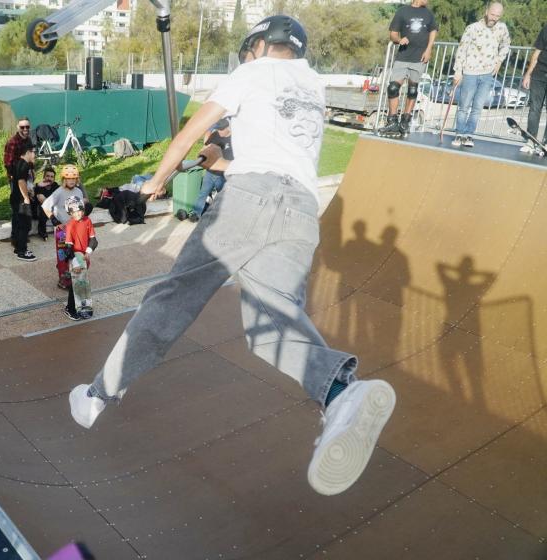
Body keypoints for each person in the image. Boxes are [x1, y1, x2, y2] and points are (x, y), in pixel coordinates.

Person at [68, 15, 397, 498]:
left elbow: (187, 134)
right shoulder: (313, 83)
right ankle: (342, 393)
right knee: (272, 327)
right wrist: (221, 162)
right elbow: (278, 156)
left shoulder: (251, 72)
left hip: (249, 201)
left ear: (262, 44)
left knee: (173, 298)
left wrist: (153, 183)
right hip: (302, 210)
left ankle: (97, 396)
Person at [451, 3, 509, 148]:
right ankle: (459, 133)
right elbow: (461, 50)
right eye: (492, 14)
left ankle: (469, 135)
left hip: (487, 74)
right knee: (464, 105)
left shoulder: (502, 28)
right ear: (486, 11)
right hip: (470, 72)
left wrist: (499, 61)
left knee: (477, 107)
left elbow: (506, 45)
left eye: (497, 16)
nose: (494, 18)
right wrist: (458, 72)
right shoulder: (472, 28)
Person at [378, 0, 438, 138]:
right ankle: (392, 121)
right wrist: (399, 40)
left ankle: (405, 120)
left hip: (419, 57)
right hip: (403, 56)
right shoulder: (402, 11)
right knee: (393, 88)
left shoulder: (428, 14)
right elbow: (393, 33)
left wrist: (429, 49)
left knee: (412, 89)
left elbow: (433, 31)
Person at [41, 165, 90, 288]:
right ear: (64, 179)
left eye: (74, 178)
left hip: (76, 229)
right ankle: (63, 280)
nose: (71, 181)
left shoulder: (78, 191)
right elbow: (45, 206)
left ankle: (76, 276)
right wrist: (55, 222)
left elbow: (80, 209)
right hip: (62, 231)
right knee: (63, 257)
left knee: (80, 255)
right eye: (68, 179)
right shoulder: (59, 192)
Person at [189, 118, 233, 221]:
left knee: (223, 196)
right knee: (203, 193)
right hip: (210, 172)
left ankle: (224, 216)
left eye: (221, 129)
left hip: (223, 174)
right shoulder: (215, 135)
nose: (219, 131)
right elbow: (206, 147)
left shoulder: (235, 139)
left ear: (228, 128)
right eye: (218, 129)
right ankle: (196, 214)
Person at [62, 195, 98, 321]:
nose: (78, 214)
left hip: (84, 257)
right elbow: (68, 248)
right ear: (69, 212)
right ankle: (69, 308)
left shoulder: (87, 221)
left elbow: (94, 240)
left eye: (79, 210)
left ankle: (82, 307)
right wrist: (75, 263)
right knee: (75, 285)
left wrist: (89, 251)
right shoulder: (70, 225)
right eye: (74, 211)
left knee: (83, 284)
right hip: (75, 258)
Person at [7, 144, 37, 261]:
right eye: (34, 152)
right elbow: (21, 182)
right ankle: (22, 251)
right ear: (27, 152)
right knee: (25, 225)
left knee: (18, 223)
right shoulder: (23, 165)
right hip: (21, 200)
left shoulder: (18, 163)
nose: (35, 155)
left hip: (15, 198)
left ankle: (17, 247)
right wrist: (26, 198)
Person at [521, 23, 547, 154]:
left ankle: (546, 142)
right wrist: (528, 74)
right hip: (539, 73)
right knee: (534, 108)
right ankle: (531, 140)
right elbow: (537, 52)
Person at [33, 166, 58, 240]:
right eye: (47, 176)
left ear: (54, 179)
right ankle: (42, 232)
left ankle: (60, 229)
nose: (49, 178)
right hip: (39, 211)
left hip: (52, 209)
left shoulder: (56, 186)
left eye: (51, 177)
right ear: (44, 177)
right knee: (42, 202)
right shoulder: (39, 186)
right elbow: (38, 198)